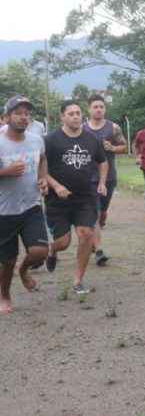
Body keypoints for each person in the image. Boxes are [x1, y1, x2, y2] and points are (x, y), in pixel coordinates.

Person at [44, 100, 108, 294]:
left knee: (86, 234)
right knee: (63, 243)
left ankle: (78, 280)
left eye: (78, 113)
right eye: (70, 113)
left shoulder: (91, 140)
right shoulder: (50, 140)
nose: (75, 116)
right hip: (58, 200)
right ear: (62, 117)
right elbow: (41, 169)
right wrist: (56, 185)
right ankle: (52, 250)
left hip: (84, 198)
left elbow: (103, 162)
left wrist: (102, 182)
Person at [0, 96, 49, 314]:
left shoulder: (36, 139)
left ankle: (24, 270)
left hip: (31, 205)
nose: (23, 117)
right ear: (7, 116)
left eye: (27, 113)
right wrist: (5, 172)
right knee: (6, 262)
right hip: (4, 211)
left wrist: (43, 178)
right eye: (18, 113)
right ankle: (4, 295)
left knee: (40, 252)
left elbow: (43, 159)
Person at [83, 94, 127, 266]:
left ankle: (96, 235)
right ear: (89, 109)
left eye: (101, 106)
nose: (99, 109)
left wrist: (113, 147)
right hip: (87, 177)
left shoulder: (113, 128)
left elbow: (125, 147)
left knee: (101, 213)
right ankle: (99, 250)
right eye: (95, 106)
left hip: (108, 177)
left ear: (105, 109)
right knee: (93, 212)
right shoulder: (82, 128)